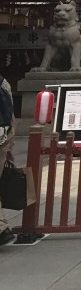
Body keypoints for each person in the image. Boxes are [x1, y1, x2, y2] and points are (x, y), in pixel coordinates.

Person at [0, 75, 16, 246]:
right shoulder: (3, 82)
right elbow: (11, 116)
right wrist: (10, 145)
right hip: (2, 138)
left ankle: (2, 230)